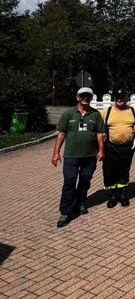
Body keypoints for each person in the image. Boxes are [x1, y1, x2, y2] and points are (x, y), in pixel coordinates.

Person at [51, 87, 105, 227]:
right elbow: (61, 134)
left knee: (85, 181)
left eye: (88, 96)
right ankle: (65, 212)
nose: (85, 98)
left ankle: (80, 203)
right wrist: (56, 153)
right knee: (69, 181)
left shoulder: (95, 114)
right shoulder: (68, 114)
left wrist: (101, 150)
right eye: (82, 96)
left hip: (90, 155)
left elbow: (100, 134)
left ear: (91, 98)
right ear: (77, 97)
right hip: (71, 155)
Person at [101, 89, 135, 208]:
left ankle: (122, 195)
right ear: (114, 98)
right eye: (117, 97)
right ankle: (112, 197)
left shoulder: (132, 110)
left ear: (127, 98)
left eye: (122, 96)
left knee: (124, 171)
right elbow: (95, 127)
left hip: (127, 148)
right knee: (110, 172)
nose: (120, 99)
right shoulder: (106, 111)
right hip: (110, 147)